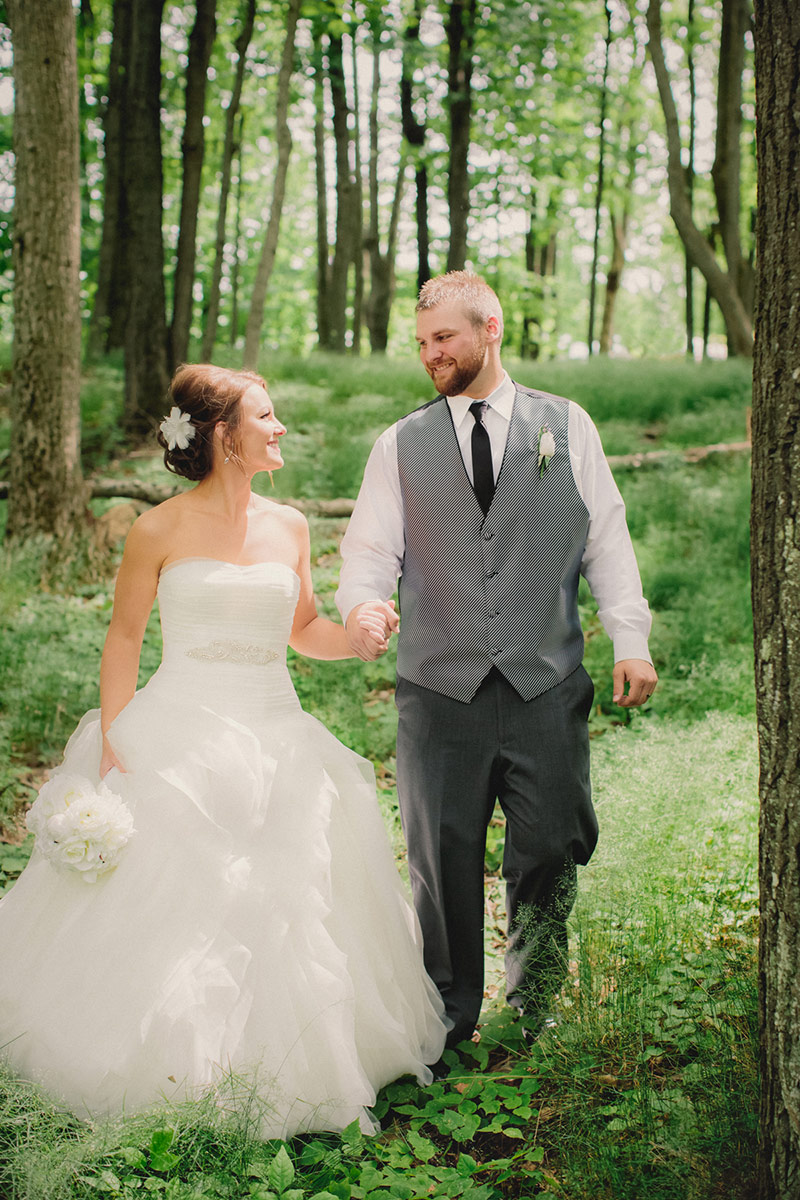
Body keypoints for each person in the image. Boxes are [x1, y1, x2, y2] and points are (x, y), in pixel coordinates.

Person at [0, 363, 446, 1137]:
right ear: (221, 435)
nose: (279, 429)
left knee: (291, 906)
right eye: (265, 416)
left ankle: (294, 1064)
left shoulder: (292, 527)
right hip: (177, 737)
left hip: (279, 740)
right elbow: (126, 636)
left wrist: (360, 637)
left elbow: (305, 631)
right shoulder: (158, 528)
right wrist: (113, 738)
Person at [337, 271, 658, 1051]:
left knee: (551, 844)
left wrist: (631, 637)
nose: (430, 355)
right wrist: (363, 607)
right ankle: (449, 1017)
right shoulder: (400, 444)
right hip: (437, 689)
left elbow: (604, 537)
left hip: (543, 681)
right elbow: (370, 552)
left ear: (491, 329)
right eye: (421, 343)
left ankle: (536, 1006)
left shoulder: (566, 425)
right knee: (440, 860)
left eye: (443, 337)